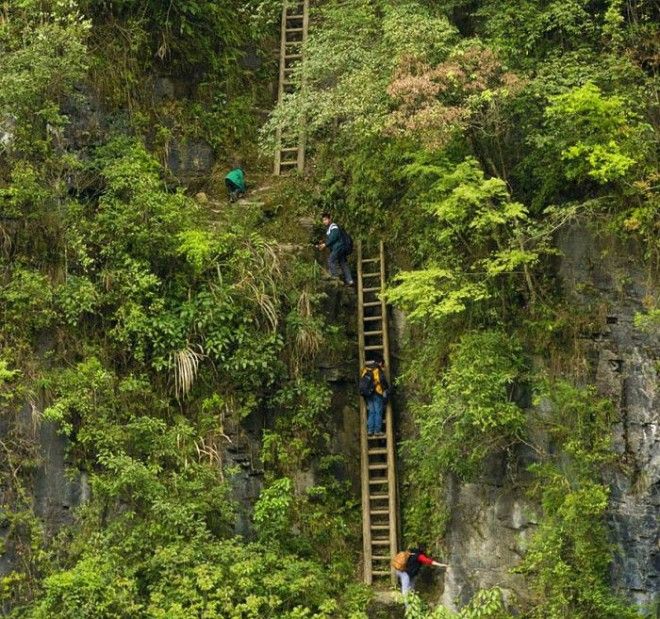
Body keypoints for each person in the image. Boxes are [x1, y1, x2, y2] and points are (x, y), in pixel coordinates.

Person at [317, 212, 354, 286]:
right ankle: (350, 280)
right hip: (340, 247)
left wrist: (325, 244)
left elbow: (334, 237)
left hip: (339, 247)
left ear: (330, 219)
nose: (324, 221)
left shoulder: (333, 226)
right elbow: (331, 239)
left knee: (331, 260)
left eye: (326, 219)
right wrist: (323, 243)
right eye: (323, 220)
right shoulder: (330, 228)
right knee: (343, 263)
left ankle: (335, 278)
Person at [359, 356, 389, 435]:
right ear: (380, 363)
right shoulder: (377, 370)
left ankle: (370, 430)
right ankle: (377, 431)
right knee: (378, 412)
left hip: (368, 394)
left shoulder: (367, 369)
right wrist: (387, 389)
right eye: (382, 364)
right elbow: (383, 381)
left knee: (371, 412)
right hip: (376, 393)